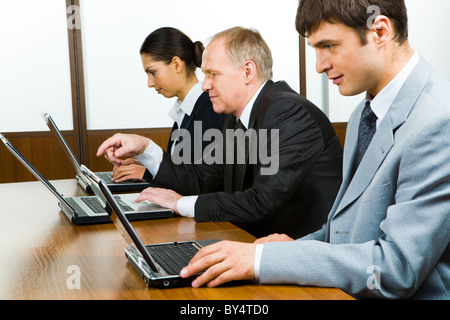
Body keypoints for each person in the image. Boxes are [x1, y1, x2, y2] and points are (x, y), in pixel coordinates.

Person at [176, 0, 450, 300]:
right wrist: (286, 250)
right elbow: (341, 232)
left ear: (380, 30)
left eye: (329, 46)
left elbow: (394, 269)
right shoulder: (365, 112)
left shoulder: (437, 121)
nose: (320, 65)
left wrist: (261, 261)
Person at [97, 27, 343, 239]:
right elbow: (203, 178)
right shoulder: (235, 118)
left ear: (248, 71)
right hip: (250, 242)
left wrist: (179, 203)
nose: (205, 85)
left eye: (212, 74)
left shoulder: (286, 111)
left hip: (302, 257)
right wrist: (145, 149)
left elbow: (262, 201)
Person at [111, 27, 225, 183]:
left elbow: (203, 181)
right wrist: (151, 166)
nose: (149, 83)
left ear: (176, 64)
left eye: (152, 72)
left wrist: (149, 173)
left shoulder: (210, 109)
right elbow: (184, 169)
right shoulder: (187, 109)